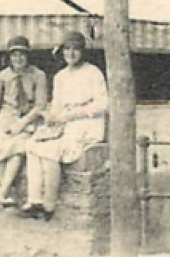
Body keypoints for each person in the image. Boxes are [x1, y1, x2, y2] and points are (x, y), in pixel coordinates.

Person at [23, 31, 107, 220]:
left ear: (82, 52)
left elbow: (103, 104)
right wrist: (50, 117)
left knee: (51, 150)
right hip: (65, 123)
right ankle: (34, 199)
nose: (71, 53)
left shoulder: (93, 72)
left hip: (87, 122)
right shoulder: (60, 76)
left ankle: (49, 204)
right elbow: (58, 106)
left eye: (76, 49)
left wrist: (73, 114)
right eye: (67, 49)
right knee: (33, 145)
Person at [0, 35, 48, 207]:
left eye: (22, 54)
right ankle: (6, 193)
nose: (18, 58)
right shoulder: (2, 77)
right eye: (14, 55)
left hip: (29, 115)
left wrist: (23, 123)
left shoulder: (38, 75)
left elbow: (41, 105)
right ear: (9, 57)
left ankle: (4, 191)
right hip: (7, 115)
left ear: (28, 56)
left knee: (19, 147)